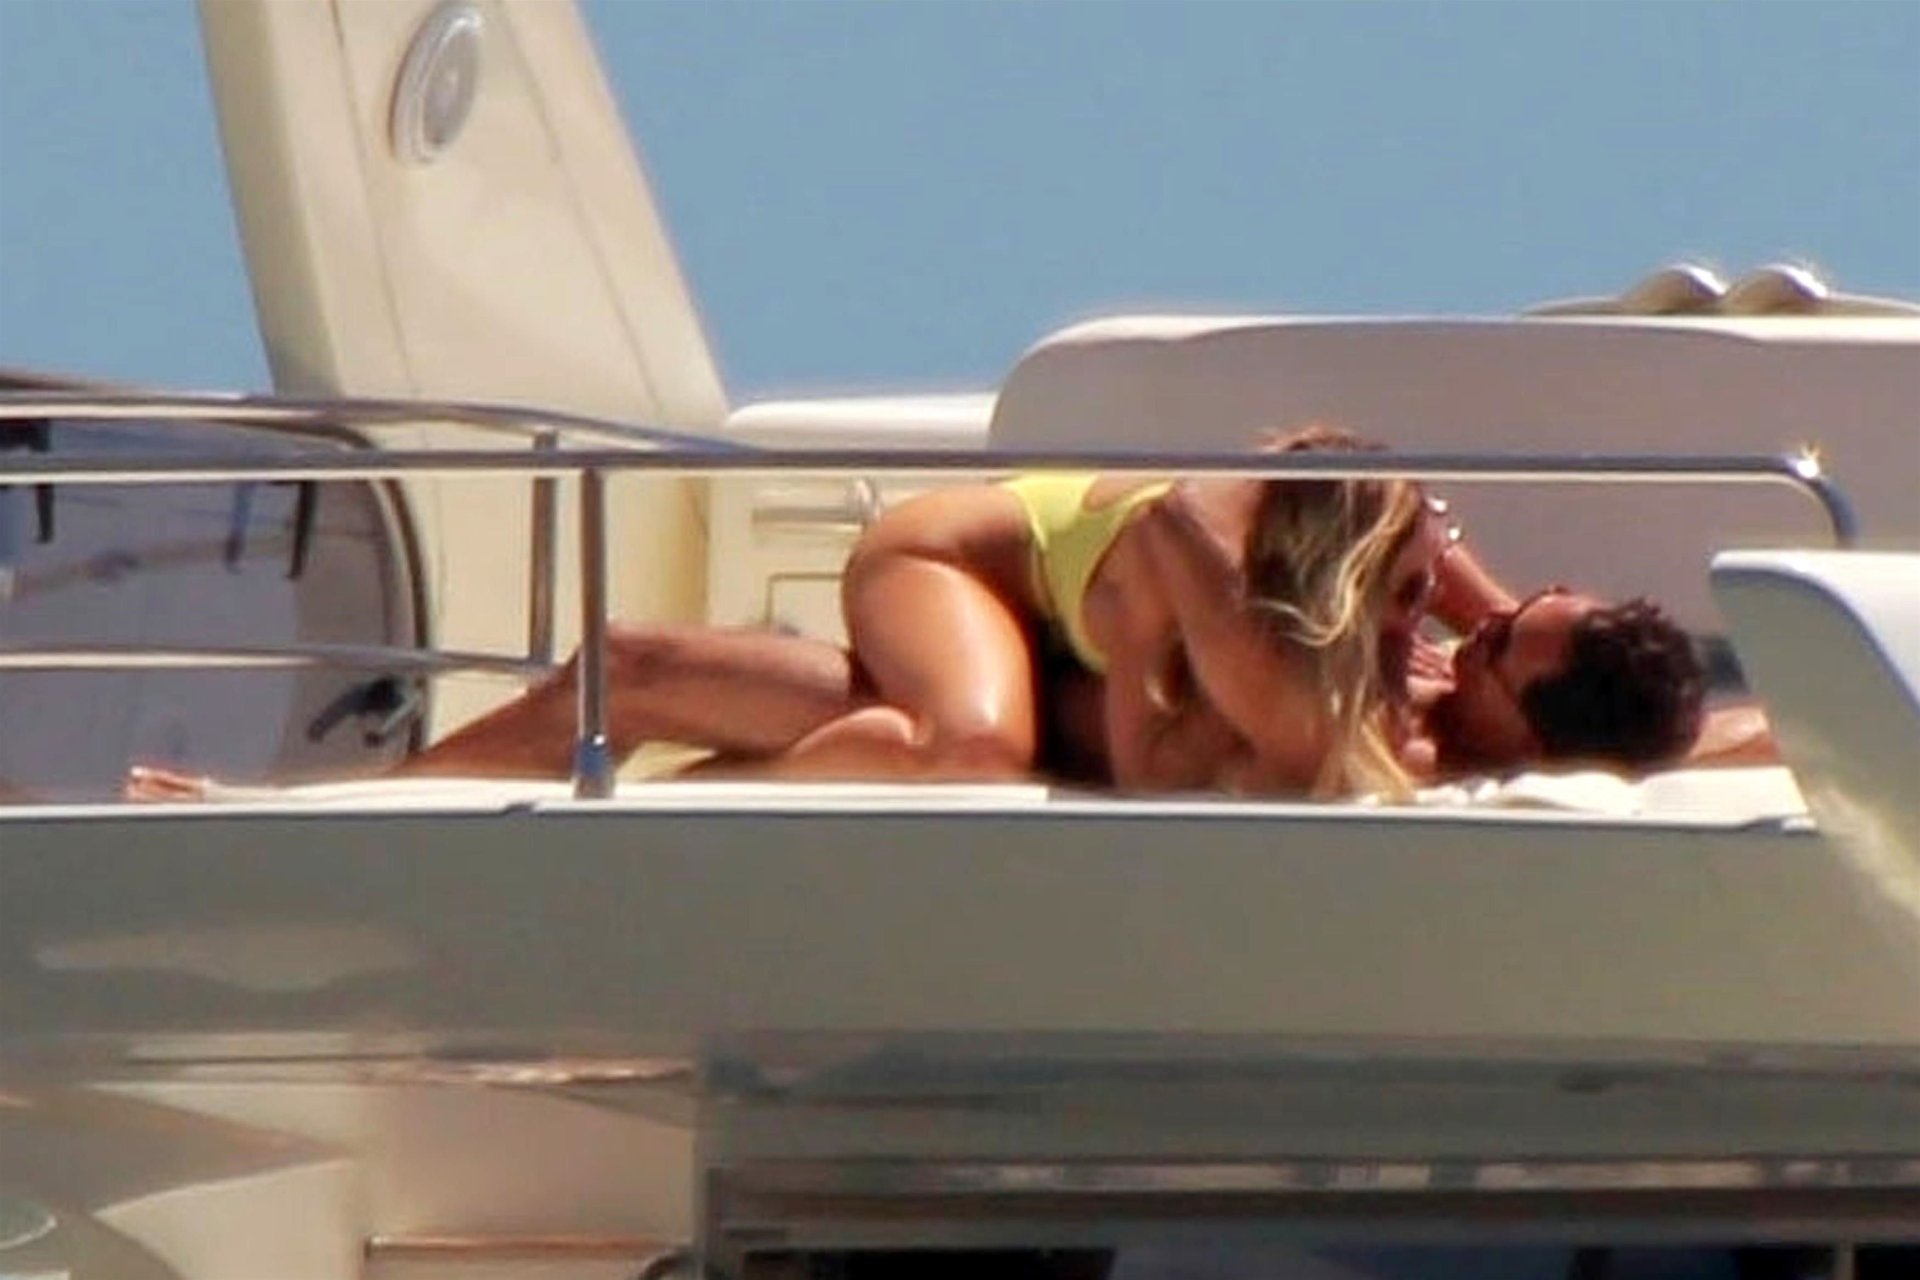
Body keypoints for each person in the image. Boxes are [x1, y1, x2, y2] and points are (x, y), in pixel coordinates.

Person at [127, 425, 1447, 801]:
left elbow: (1433, 561)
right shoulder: (1191, 553)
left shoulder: (1352, 652)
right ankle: (342, 804)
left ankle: (598, 804)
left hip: (1032, 647)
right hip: (950, 567)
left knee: (641, 666)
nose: (1434, 628)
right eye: (1410, 602)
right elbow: (1155, 765)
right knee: (969, 747)